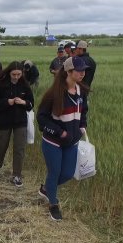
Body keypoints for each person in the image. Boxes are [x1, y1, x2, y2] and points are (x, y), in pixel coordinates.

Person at [37, 56, 89, 221]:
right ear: (69, 71)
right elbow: (42, 118)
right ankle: (53, 205)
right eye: (79, 71)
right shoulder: (54, 93)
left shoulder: (81, 91)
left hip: (72, 142)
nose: (82, 73)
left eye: (84, 70)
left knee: (67, 174)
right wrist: (60, 132)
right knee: (55, 172)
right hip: (53, 142)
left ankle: (46, 189)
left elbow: (83, 111)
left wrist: (82, 127)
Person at [0, 61, 34, 187]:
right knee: (2, 146)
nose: (16, 77)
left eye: (18, 74)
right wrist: (7, 102)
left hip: (20, 122)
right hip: (4, 121)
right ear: (9, 73)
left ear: (22, 73)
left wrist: (23, 103)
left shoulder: (25, 86)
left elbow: (31, 103)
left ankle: (16, 175)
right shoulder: (1, 85)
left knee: (19, 148)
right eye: (13, 74)